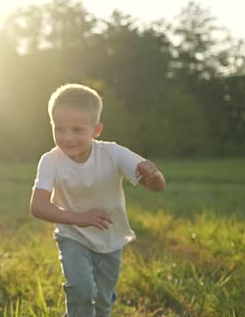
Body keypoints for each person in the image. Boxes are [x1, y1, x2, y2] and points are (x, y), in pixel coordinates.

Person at [30, 83, 166, 317]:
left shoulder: (113, 153)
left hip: (110, 238)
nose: (67, 137)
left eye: (77, 130)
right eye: (59, 129)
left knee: (102, 301)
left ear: (97, 129)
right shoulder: (51, 160)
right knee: (81, 291)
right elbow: (38, 206)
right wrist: (78, 219)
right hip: (72, 236)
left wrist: (154, 175)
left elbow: (155, 187)